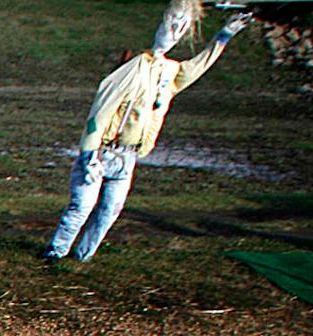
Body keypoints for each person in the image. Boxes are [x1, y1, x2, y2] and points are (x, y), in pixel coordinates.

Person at [44, 1, 253, 263]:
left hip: (127, 157)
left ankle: (83, 257)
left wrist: (224, 36)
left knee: (110, 211)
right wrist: (89, 154)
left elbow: (197, 67)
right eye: (172, 24)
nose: (174, 32)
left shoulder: (170, 72)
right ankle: (55, 253)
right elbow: (101, 110)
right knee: (81, 207)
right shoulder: (135, 68)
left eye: (181, 27)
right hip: (102, 152)